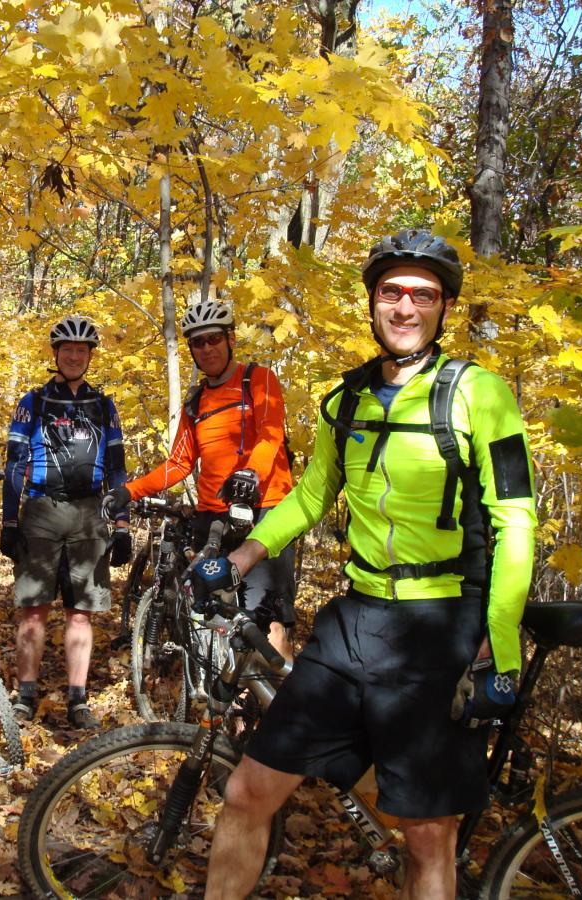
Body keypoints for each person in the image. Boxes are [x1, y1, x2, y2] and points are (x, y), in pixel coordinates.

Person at [196, 230, 538, 900]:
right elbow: (314, 494)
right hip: (353, 621)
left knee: (427, 834)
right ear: (373, 303)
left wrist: (501, 650)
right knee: (247, 790)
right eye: (392, 292)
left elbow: (515, 522)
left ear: (443, 309)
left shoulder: (480, 395)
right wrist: (240, 558)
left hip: (438, 627)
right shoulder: (345, 400)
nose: (406, 307)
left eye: (424, 295)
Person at [102, 300, 296, 658]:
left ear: (231, 339)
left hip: (264, 512)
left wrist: (250, 473)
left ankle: (281, 709)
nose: (206, 348)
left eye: (213, 339)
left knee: (268, 622)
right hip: (212, 519)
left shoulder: (258, 379)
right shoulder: (197, 401)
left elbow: (270, 435)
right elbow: (178, 464)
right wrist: (128, 491)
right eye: (197, 342)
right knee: (214, 619)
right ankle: (228, 711)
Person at [1, 315, 130, 729]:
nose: (74, 356)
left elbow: (117, 467)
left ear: (90, 356)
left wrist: (122, 524)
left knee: (81, 611)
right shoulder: (33, 401)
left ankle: (78, 699)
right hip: (40, 509)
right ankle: (25, 695)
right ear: (55, 354)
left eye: (82, 350)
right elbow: (15, 462)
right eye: (67, 350)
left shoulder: (102, 405)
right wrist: (8, 519)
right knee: (33, 609)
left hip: (90, 511)